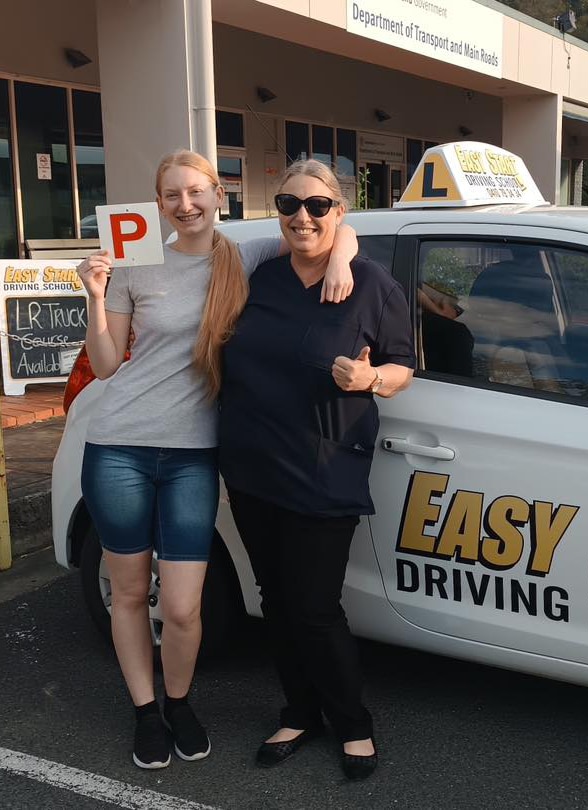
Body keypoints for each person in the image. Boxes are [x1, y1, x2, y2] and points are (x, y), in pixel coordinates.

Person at [77, 149, 358, 770]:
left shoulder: (245, 253)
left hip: (194, 454)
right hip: (120, 444)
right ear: (158, 205)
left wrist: (340, 255)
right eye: (172, 195)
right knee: (129, 595)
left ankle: (180, 700)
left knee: (181, 606)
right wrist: (96, 297)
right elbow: (102, 365)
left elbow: (331, 222)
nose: (186, 205)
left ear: (218, 196)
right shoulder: (132, 263)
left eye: (196, 192)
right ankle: (147, 712)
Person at [218, 160, 415, 780]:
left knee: (314, 604)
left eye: (318, 206)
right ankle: (299, 710)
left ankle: (352, 723)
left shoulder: (374, 284)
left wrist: (371, 379)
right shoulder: (259, 272)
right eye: (288, 204)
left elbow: (403, 366)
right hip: (253, 465)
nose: (302, 216)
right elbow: (194, 243)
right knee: (273, 599)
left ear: (341, 211)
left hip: (325, 466)